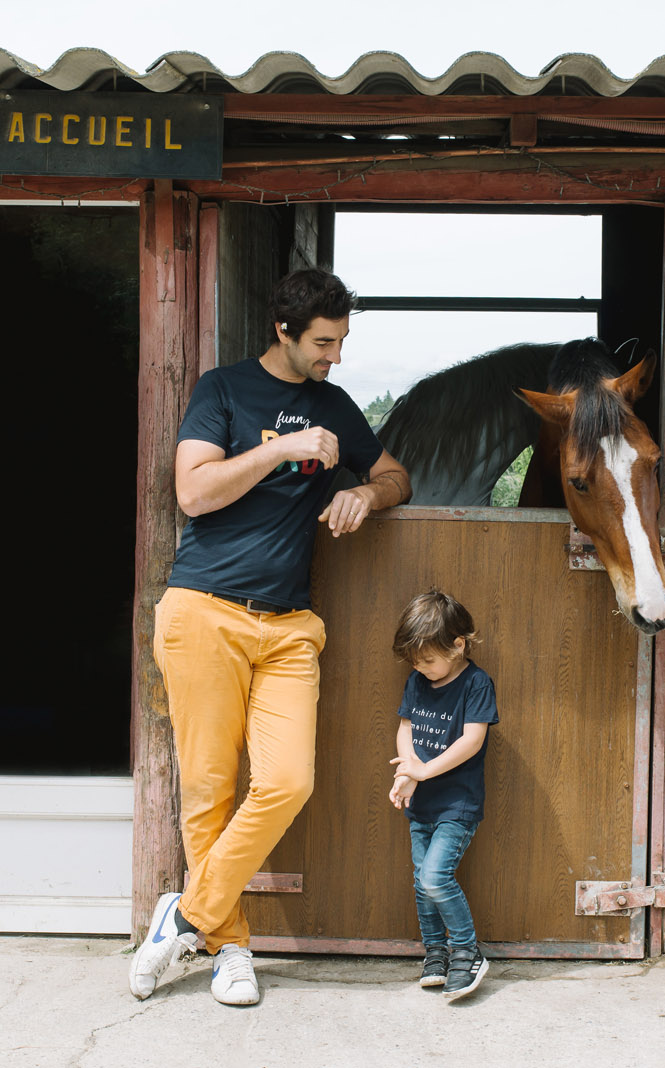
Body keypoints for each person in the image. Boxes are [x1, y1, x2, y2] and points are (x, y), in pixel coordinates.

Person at [130, 268, 412, 1006]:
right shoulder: (221, 391)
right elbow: (193, 491)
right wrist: (282, 452)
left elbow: (397, 475)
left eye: (343, 341)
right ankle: (230, 949)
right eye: (324, 342)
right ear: (283, 331)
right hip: (204, 613)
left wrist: (362, 491)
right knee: (211, 792)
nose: (336, 357)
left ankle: (185, 914)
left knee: (289, 781)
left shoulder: (335, 406)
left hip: (289, 626)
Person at [386, 589, 498, 1002]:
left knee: (435, 876)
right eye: (415, 661)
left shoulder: (476, 683)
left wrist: (424, 771)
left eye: (428, 660)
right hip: (422, 804)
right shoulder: (417, 681)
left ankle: (467, 952)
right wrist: (408, 773)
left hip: (457, 804)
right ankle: (436, 953)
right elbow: (406, 729)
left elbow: (472, 740)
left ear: (458, 644)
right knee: (421, 882)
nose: (421, 668)